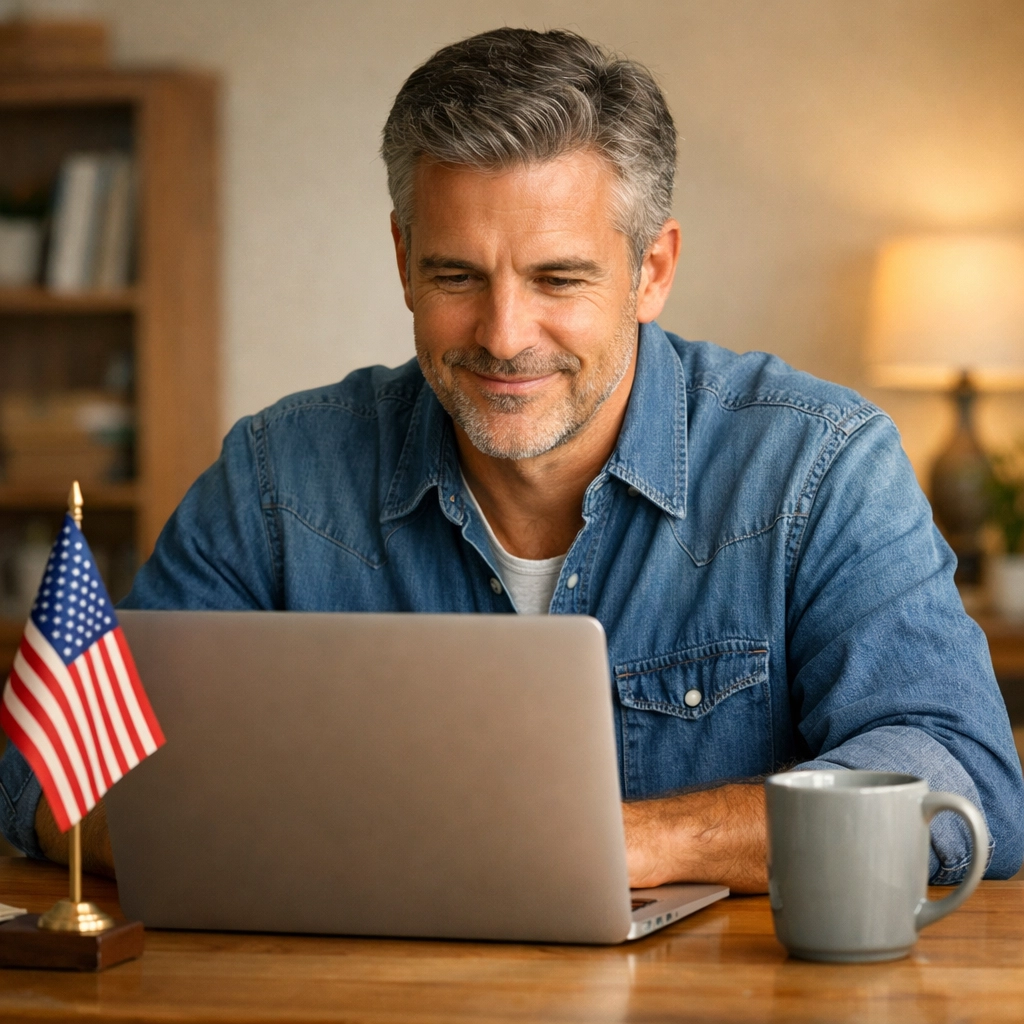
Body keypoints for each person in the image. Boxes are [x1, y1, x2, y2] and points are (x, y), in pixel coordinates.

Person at [3, 28, 1021, 888]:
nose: (501, 333)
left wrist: (635, 842)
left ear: (651, 269)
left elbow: (962, 780)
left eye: (557, 277)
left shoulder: (818, 464)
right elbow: (46, 775)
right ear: (402, 259)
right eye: (456, 273)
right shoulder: (280, 475)